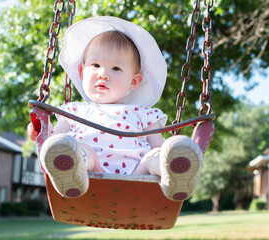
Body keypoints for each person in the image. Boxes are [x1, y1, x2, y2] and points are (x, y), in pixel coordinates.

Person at [27, 16, 203, 201]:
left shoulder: (143, 114)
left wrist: (172, 154)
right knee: (75, 149)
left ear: (133, 82)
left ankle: (174, 175)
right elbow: (54, 140)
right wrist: (41, 132)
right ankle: (70, 173)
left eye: (116, 69)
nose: (103, 74)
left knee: (157, 155)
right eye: (95, 65)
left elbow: (159, 146)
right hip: (91, 175)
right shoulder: (74, 111)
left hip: (138, 175)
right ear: (81, 72)